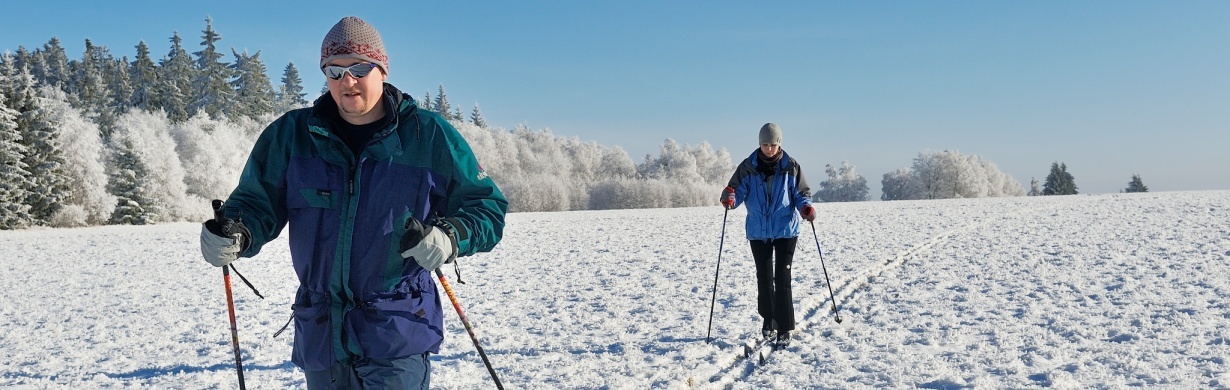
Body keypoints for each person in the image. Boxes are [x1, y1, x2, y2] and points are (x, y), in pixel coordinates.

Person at [199, 16, 507, 389]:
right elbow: (255, 202)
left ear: (382, 70)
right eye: (334, 70)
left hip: (397, 329)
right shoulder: (292, 135)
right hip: (322, 334)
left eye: (359, 68)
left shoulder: (428, 135)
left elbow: (485, 206)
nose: (347, 81)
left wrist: (449, 236)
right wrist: (236, 231)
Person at [719, 122, 814, 347]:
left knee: (782, 278)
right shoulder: (747, 167)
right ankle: (768, 320)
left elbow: (801, 193)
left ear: (779, 144)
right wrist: (729, 198)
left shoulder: (791, 166)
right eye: (764, 144)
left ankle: (784, 327)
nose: (768, 149)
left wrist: (805, 208)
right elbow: (735, 191)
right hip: (758, 231)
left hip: (785, 231)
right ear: (759, 144)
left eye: (772, 144)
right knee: (764, 277)